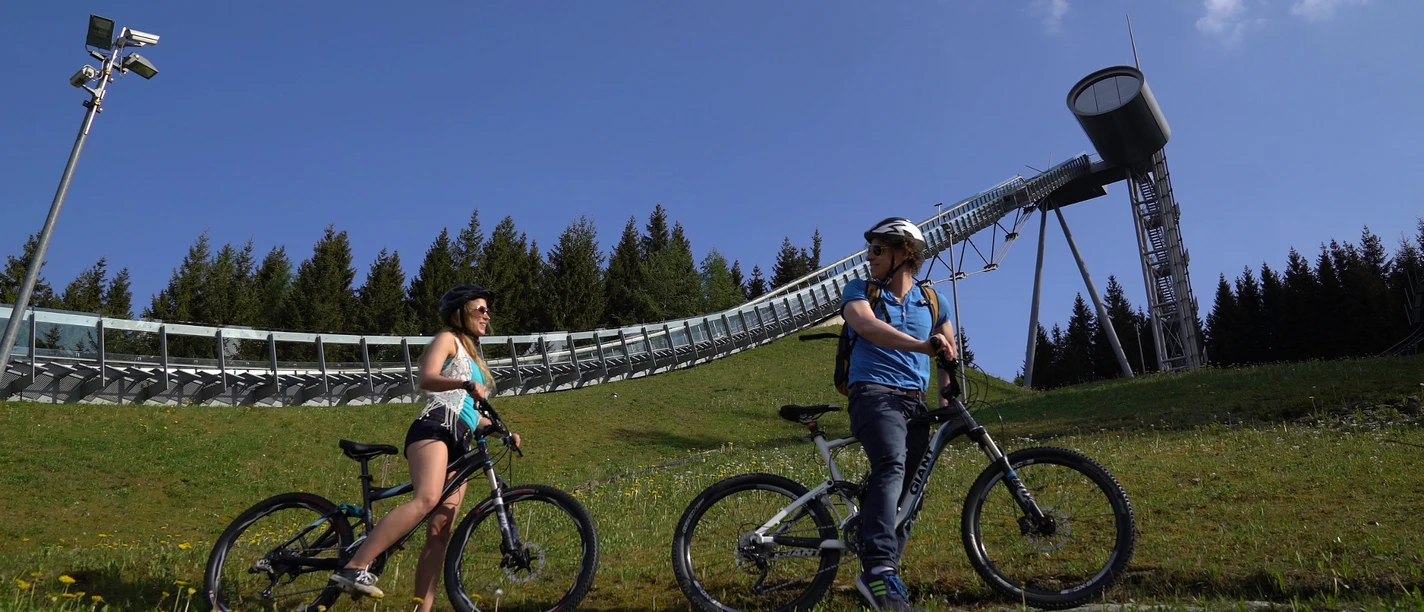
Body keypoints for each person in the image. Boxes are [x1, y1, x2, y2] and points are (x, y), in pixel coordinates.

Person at [329, 283, 520, 610]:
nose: (487, 315)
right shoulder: (448, 340)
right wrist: (463, 383)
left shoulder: (477, 360)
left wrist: (501, 431)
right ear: (461, 312)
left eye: (488, 310)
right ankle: (353, 567)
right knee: (427, 498)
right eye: (481, 309)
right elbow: (428, 378)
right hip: (434, 427)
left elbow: (473, 417)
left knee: (439, 533)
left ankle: (423, 609)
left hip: (460, 439)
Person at [839, 217, 957, 612]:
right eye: (869, 249)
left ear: (904, 253)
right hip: (872, 393)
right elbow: (866, 326)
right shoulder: (861, 291)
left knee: (913, 490)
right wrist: (923, 347)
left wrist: (946, 402)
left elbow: (947, 354)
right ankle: (877, 569)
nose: (868, 257)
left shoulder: (933, 301)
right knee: (891, 464)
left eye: (877, 250)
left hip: (914, 402)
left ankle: (886, 581)